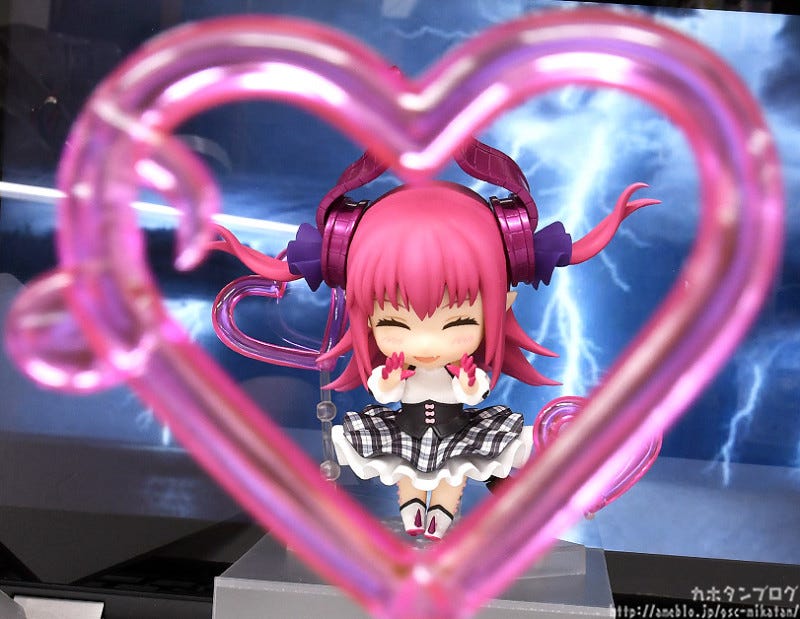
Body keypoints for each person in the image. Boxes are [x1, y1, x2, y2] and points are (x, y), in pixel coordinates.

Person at [210, 137, 658, 540]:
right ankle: (413, 514)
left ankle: (442, 516)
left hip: (456, 429)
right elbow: (385, 392)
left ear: (501, 303)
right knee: (407, 472)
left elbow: (474, 392)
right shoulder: (395, 365)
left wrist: (468, 382)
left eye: (455, 322)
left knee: (450, 473)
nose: (425, 344)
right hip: (403, 430)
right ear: (363, 312)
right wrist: (388, 380)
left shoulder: (463, 366)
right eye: (395, 323)